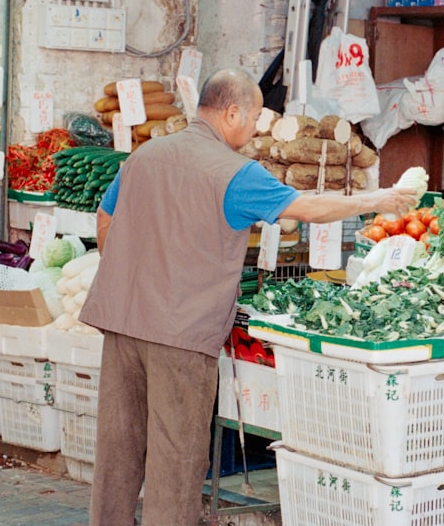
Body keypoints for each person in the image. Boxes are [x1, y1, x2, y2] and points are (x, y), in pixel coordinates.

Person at [78, 68, 417, 526]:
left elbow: (105, 216)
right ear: (232, 112)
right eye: (255, 117)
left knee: (117, 450)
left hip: (122, 325)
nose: (256, 128)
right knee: (174, 461)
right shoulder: (235, 173)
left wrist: (128, 278)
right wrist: (376, 200)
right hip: (181, 337)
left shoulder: (145, 155)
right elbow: (308, 207)